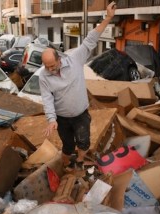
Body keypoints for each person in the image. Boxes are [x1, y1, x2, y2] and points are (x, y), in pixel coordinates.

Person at [39, 1, 117, 171]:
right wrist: (51, 119)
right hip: (62, 118)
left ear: (59, 58)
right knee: (67, 145)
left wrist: (108, 18)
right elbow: (47, 98)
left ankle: (80, 161)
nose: (51, 70)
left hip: (81, 114)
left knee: (83, 141)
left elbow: (90, 39)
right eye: (47, 67)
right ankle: (66, 165)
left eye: (53, 65)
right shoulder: (43, 76)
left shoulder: (75, 59)